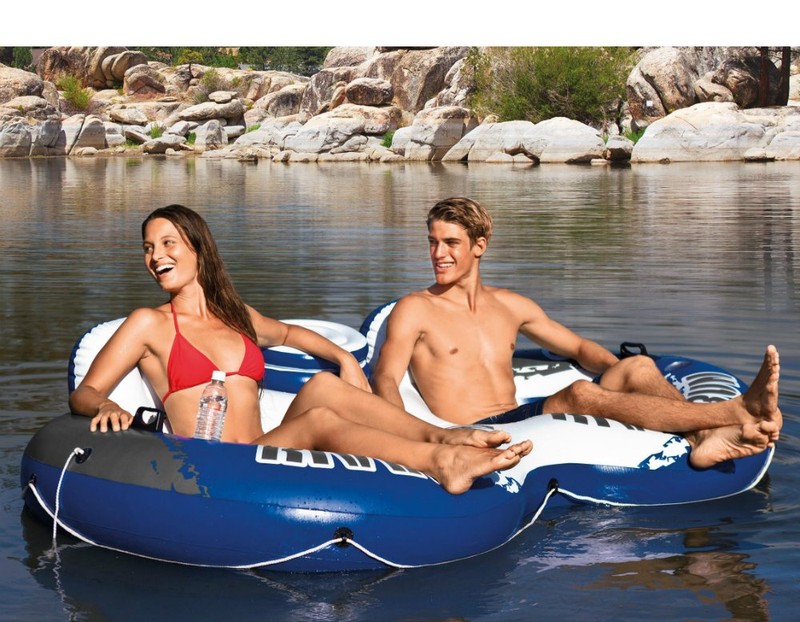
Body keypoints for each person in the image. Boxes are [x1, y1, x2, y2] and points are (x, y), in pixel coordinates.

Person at [68, 204, 532, 495]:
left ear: (198, 249)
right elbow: (85, 392)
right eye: (148, 248)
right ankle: (441, 461)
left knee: (324, 388)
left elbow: (290, 335)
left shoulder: (236, 317)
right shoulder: (149, 323)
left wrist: (345, 359)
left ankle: (444, 437)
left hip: (262, 451)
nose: (155, 257)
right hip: (214, 467)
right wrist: (105, 404)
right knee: (319, 419)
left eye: (168, 243)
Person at [370, 197, 782, 469]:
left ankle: (705, 436)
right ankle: (731, 413)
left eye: (451, 243)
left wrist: (621, 373)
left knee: (638, 366)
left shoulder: (511, 305)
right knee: (580, 394)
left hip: (521, 414)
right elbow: (386, 378)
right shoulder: (415, 309)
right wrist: (414, 441)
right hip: (479, 427)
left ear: (479, 246)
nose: (438, 254)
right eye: (433, 242)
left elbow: (580, 347)